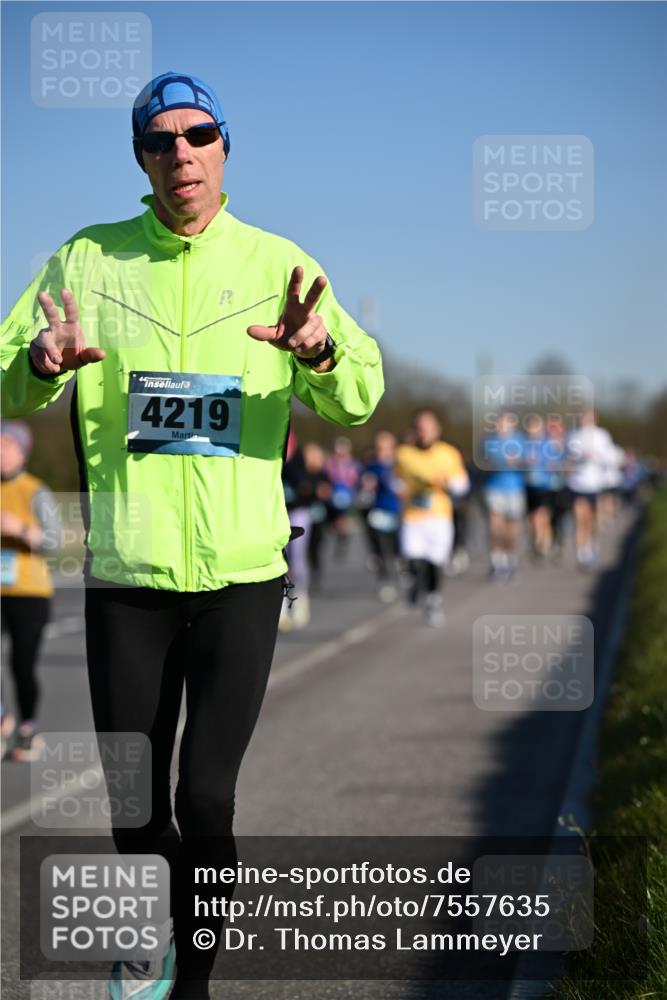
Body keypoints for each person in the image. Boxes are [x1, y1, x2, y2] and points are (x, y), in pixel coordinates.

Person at [1, 71, 383, 1000]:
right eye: (161, 139)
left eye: (199, 135)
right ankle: (155, 938)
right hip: (127, 571)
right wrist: (39, 362)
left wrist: (318, 351)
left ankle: (194, 979)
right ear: (140, 157)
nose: (182, 153)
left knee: (205, 797)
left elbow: (363, 393)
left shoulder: (277, 261)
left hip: (241, 574)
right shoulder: (85, 260)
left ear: (223, 148)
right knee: (135, 807)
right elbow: (11, 380)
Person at [1, 421, 61, 760]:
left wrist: (20, 529)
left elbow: (54, 541)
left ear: (22, 451)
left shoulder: (35, 490)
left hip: (29, 592)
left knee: (22, 664)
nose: (0, 453)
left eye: (6, 446)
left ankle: (27, 728)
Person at [395, 409, 469, 626]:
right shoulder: (404, 454)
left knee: (435, 563)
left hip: (439, 516)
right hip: (413, 516)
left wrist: (449, 484)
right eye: (420, 428)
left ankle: (432, 600)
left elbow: (462, 485)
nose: (424, 432)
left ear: (437, 430)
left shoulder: (448, 454)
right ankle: (416, 587)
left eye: (428, 428)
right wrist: (398, 488)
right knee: (413, 558)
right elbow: (395, 479)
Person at [566, 407, 613, 568]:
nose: (585, 419)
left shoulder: (602, 435)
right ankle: (582, 554)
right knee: (580, 520)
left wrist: (597, 456)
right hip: (578, 484)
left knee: (593, 521)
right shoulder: (573, 435)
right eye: (582, 416)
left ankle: (592, 544)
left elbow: (609, 457)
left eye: (588, 416)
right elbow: (567, 459)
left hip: (596, 484)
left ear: (595, 418)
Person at [482, 411, 526, 580]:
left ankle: (510, 558)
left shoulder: (520, 440)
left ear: (512, 424)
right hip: (494, 488)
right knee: (495, 527)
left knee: (511, 531)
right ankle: (497, 562)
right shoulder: (489, 441)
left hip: (514, 488)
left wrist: (518, 461)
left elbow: (528, 462)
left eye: (506, 422)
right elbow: (483, 462)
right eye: (499, 422)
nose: (501, 426)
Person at [361, 430, 403, 602]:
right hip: (378, 512)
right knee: (381, 550)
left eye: (386, 446)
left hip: (398, 512)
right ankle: (385, 582)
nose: (382, 450)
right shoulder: (371, 466)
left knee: (396, 550)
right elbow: (364, 489)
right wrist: (366, 487)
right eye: (379, 446)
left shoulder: (400, 464)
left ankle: (403, 571)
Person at [324, 435, 361, 560]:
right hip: (333, 494)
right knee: (336, 518)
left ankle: (342, 538)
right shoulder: (330, 462)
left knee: (342, 517)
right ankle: (339, 534)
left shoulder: (352, 463)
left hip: (346, 494)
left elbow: (354, 479)